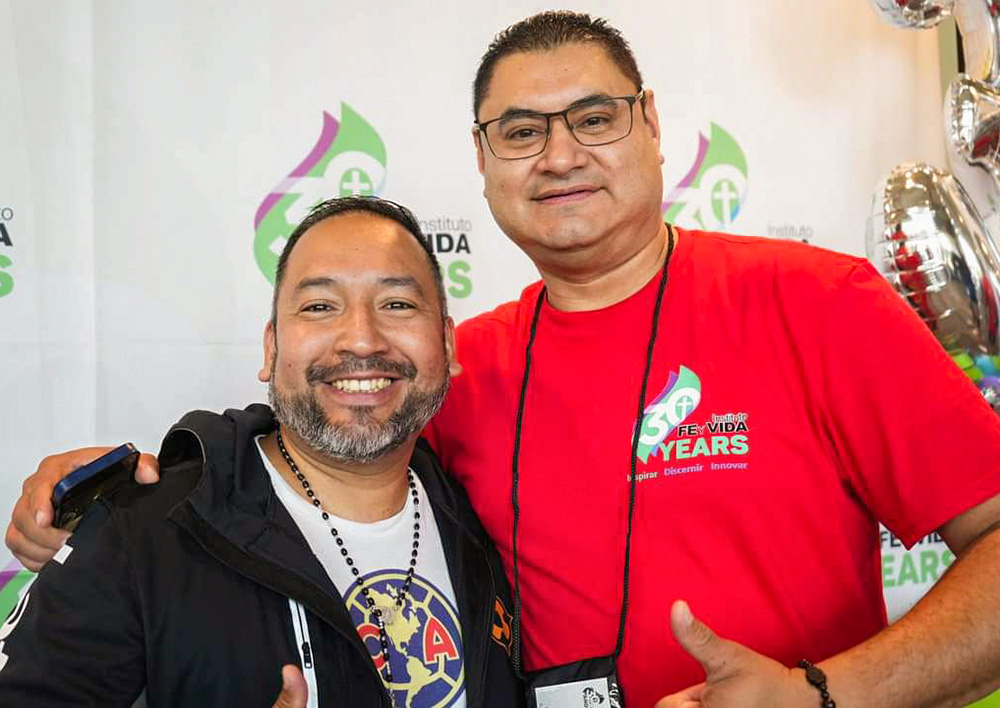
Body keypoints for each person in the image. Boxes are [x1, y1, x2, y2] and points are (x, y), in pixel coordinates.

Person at [10, 10, 1000, 708]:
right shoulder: (448, 372)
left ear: (651, 127)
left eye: (594, 118)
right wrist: (127, 485)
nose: (559, 154)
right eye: (520, 131)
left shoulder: (815, 302)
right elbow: (291, 462)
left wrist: (827, 696)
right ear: (481, 160)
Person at [0, 197, 522, 707]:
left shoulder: (481, 524)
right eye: (320, 306)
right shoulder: (141, 533)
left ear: (448, 346)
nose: (362, 340)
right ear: (271, 349)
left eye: (397, 304)